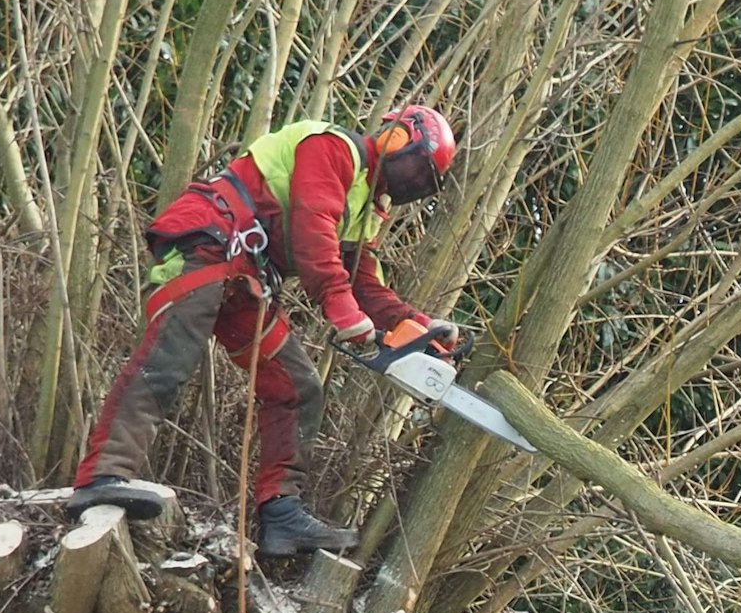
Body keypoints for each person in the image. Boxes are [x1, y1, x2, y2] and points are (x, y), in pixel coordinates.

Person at [67, 105, 460, 554]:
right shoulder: (332, 148)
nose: (413, 181)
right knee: (168, 361)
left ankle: (282, 515)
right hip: (208, 241)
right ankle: (102, 476)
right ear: (397, 137)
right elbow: (314, 229)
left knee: (297, 388)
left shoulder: (366, 209)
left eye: (423, 178)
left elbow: (364, 281)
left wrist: (419, 327)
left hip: (245, 278)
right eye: (417, 166)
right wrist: (343, 311)